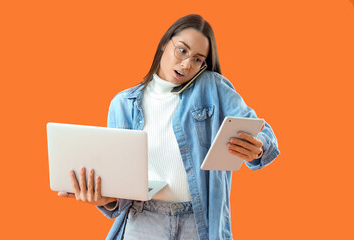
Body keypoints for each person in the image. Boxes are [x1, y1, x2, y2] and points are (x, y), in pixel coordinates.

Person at [58, 14, 280, 240]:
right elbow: (121, 190)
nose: (186, 64)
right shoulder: (123, 104)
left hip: (199, 223)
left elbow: (261, 129)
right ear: (165, 42)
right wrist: (106, 199)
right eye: (182, 50)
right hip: (143, 221)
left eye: (197, 59)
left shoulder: (213, 87)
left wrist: (259, 146)